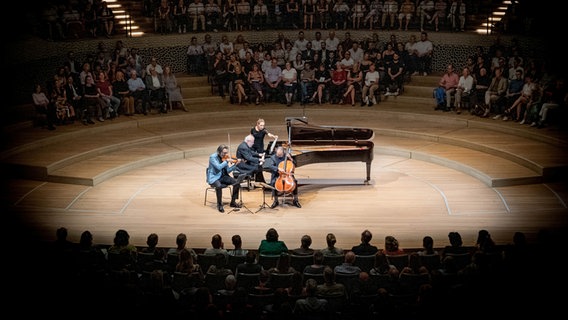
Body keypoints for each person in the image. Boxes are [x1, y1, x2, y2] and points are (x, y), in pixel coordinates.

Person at [207, 144, 243, 213]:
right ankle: (219, 205)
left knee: (236, 183)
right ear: (219, 152)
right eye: (224, 153)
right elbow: (218, 167)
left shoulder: (225, 158)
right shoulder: (213, 157)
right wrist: (227, 161)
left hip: (223, 176)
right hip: (214, 177)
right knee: (219, 186)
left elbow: (228, 170)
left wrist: (235, 165)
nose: (225, 154)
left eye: (226, 152)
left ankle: (233, 202)